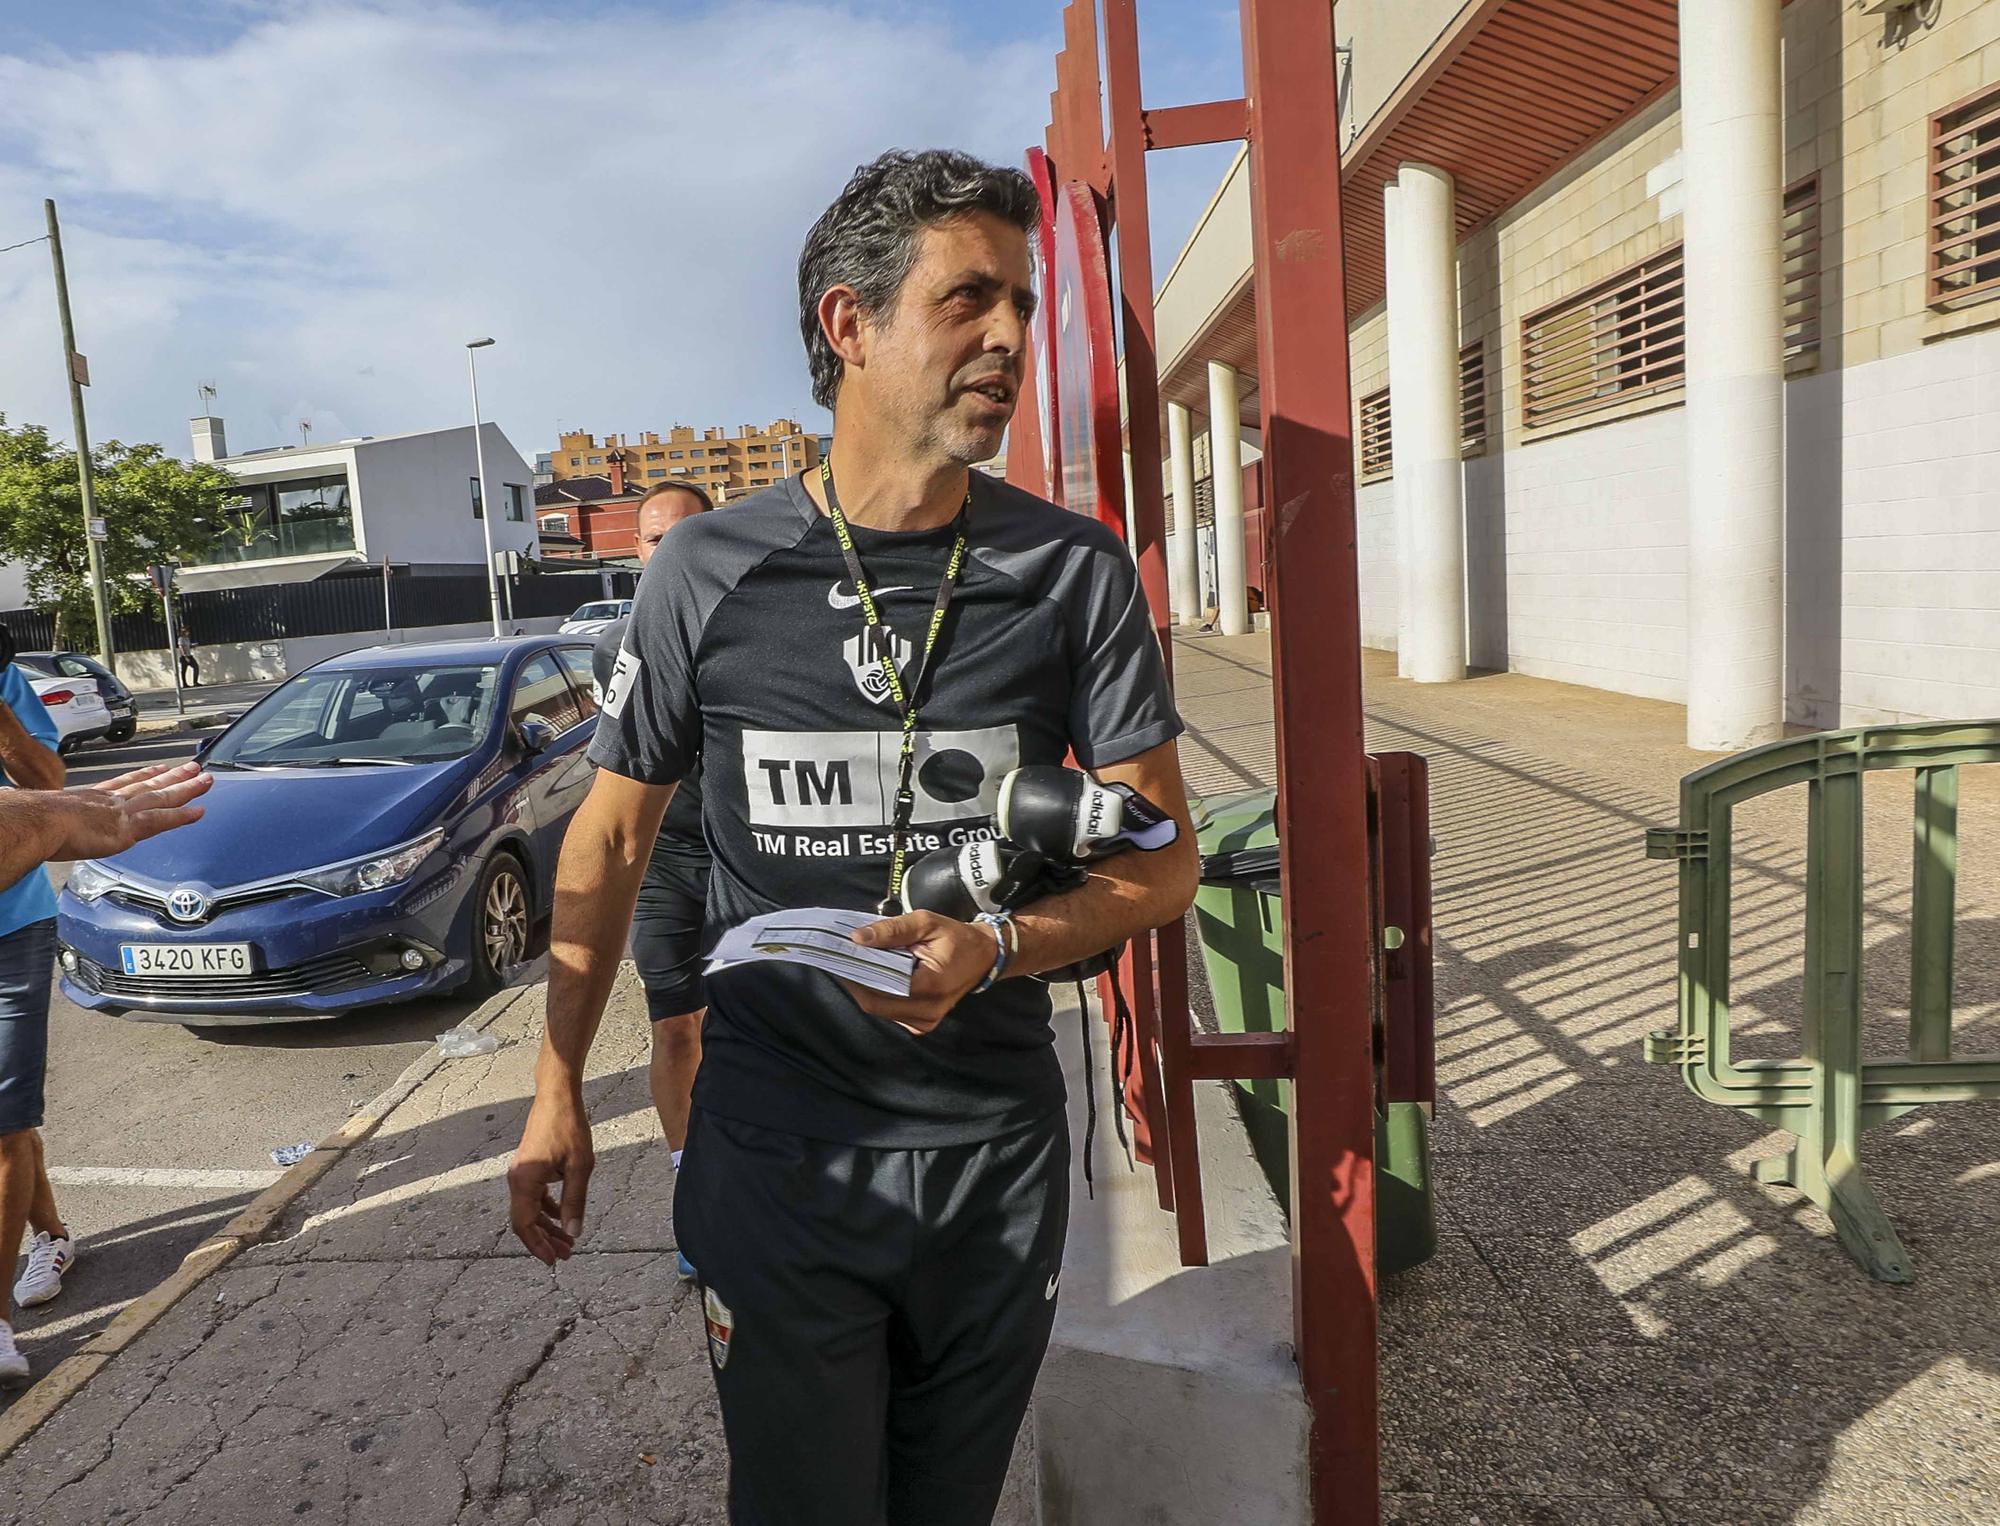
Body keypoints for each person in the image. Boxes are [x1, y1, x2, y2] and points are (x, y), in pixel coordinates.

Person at [509, 149, 1198, 1525]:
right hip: (784, 1160)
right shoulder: (708, 572)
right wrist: (556, 1083)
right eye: (968, 300)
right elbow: (607, 842)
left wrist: (1000, 942)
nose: (1010, 335)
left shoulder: (1070, 571)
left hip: (993, 1161)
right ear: (850, 324)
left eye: (1021, 299)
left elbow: (1164, 856)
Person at [0, 656, 211, 1385]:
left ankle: (0, 1316)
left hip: (8, 925)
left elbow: (48, 787)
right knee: (9, 1126)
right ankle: (51, 1232)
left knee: (5, 1119)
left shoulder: (6, 682)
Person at [590, 480, 714, 1280]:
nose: (664, 553)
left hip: (753, 858)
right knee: (676, 1030)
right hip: (669, 864)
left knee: (771, 1028)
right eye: (651, 539)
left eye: (683, 536)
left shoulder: (762, 629)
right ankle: (693, 1197)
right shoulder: (612, 651)